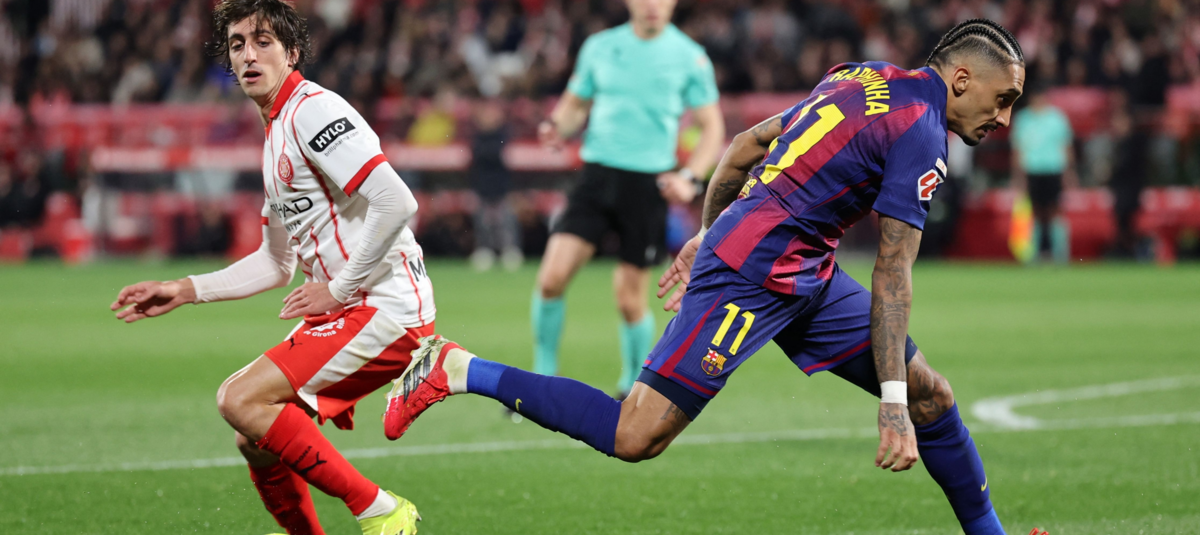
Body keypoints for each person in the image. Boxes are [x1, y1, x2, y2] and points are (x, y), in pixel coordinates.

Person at [385, 19, 1039, 535]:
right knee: (635, 435)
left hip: (805, 269)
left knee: (932, 395)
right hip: (751, 275)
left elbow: (747, 145)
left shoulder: (862, 77)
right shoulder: (922, 132)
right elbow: (893, 271)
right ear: (960, 79)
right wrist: (888, 400)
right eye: (1003, 99)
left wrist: (709, 230)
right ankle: (457, 368)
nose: (1005, 118)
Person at [109, 1, 432, 534]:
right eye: (238, 44)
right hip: (354, 307)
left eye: (263, 42)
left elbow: (396, 200)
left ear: (292, 53)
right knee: (254, 439)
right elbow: (276, 262)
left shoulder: (311, 112)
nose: (248, 55)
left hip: (383, 306)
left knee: (238, 399)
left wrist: (338, 288)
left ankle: (380, 511)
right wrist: (184, 288)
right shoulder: (277, 131)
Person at [533, 0, 725, 397]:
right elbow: (574, 106)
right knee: (551, 280)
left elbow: (712, 127)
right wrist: (556, 126)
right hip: (596, 177)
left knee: (629, 300)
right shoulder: (600, 47)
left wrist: (691, 177)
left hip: (646, 186)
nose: (652, 4)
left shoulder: (690, 56)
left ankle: (631, 390)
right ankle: (543, 377)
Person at [1010, 83, 1076, 264]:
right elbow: (1017, 149)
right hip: (1032, 169)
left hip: (1053, 169)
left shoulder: (1057, 118)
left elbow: (1066, 146)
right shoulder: (1023, 119)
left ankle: (1060, 254)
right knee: (1035, 212)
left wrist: (1069, 172)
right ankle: (1034, 254)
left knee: (1055, 211)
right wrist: (1018, 176)